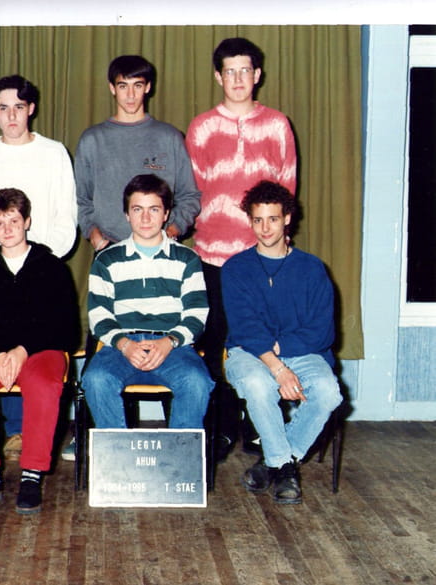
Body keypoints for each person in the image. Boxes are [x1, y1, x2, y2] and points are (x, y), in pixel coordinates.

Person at [0, 74, 77, 462]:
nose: (12, 116)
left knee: (37, 346)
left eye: (19, 108)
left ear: (31, 109)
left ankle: (31, 443)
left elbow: (66, 215)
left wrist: (38, 259)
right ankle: (10, 433)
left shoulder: (53, 153)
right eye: (4, 108)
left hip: (40, 266)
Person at [185, 38, 297, 458]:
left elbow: (287, 188)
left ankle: (259, 424)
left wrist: (278, 242)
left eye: (244, 70)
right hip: (212, 254)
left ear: (257, 75)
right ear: (218, 77)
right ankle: (223, 425)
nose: (237, 79)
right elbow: (192, 189)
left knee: (262, 338)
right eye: (229, 71)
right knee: (217, 343)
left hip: (261, 257)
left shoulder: (278, 125)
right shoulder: (201, 127)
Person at [0, 188, 79, 515]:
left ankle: (32, 474)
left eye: (13, 221)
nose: (7, 229)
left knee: (43, 383)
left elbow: (65, 325)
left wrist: (23, 350)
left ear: (27, 222)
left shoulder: (51, 266)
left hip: (39, 349)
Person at [222, 181, 342, 504]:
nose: (265, 228)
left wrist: (280, 349)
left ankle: (274, 461)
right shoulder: (235, 269)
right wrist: (278, 368)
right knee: (258, 385)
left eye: (273, 219)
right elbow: (245, 329)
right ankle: (285, 469)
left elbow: (322, 331)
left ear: (287, 218)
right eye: (258, 220)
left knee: (328, 392)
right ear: (250, 221)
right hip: (249, 353)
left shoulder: (312, 268)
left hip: (303, 352)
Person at [81, 174, 213, 431]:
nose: (145, 218)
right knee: (96, 379)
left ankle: (180, 456)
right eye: (137, 209)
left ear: (166, 214)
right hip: (121, 347)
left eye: (154, 209)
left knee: (196, 381)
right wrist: (125, 344)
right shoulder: (107, 259)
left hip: (173, 347)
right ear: (126, 214)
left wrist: (169, 341)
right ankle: (117, 455)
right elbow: (99, 316)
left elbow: (196, 314)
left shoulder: (187, 259)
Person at [75, 55, 201, 252]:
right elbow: (81, 199)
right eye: (123, 86)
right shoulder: (92, 140)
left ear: (148, 87)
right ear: (112, 88)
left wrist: (172, 231)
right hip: (110, 247)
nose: (131, 95)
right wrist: (95, 237)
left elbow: (189, 195)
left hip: (161, 247)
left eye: (138, 85)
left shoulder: (169, 137)